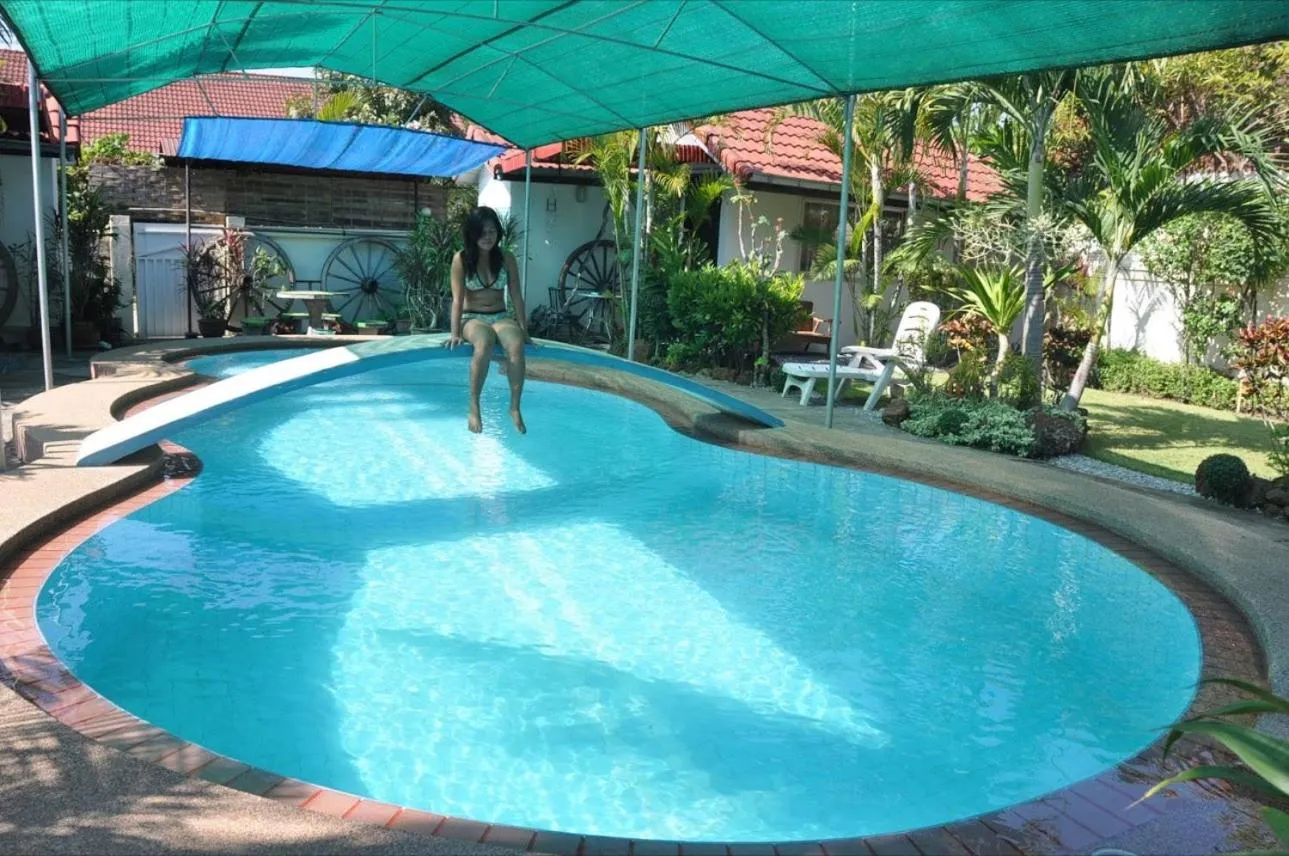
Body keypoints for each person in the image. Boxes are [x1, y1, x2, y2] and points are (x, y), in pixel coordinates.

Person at [445, 206, 532, 434]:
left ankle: (514, 406)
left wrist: (523, 329)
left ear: (498, 233)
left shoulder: (506, 258)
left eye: (492, 231)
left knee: (515, 344)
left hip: (500, 316)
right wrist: (455, 333)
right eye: (482, 232)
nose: (487, 237)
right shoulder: (461, 259)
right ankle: (474, 403)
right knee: (483, 342)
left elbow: (515, 294)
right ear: (472, 234)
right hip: (471, 318)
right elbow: (457, 299)